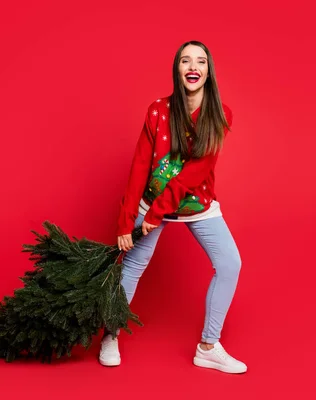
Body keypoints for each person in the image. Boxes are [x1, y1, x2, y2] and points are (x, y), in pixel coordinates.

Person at [100, 40, 247, 374]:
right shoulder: (157, 110)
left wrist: (157, 214)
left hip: (196, 201)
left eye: (200, 62)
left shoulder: (220, 114)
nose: (193, 67)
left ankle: (209, 347)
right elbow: (140, 164)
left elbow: (196, 171)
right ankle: (110, 333)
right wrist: (127, 220)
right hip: (151, 198)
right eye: (185, 61)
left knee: (229, 264)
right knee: (133, 266)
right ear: (177, 70)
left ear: (209, 72)